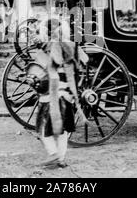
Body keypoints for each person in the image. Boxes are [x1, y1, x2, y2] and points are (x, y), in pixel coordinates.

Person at [32, 18, 89, 168]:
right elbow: (85, 59)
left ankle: (53, 153)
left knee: (43, 126)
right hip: (68, 93)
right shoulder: (73, 46)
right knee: (63, 129)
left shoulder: (45, 47)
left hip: (51, 94)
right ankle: (61, 158)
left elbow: (39, 71)